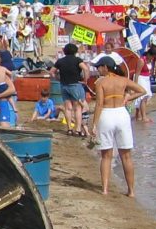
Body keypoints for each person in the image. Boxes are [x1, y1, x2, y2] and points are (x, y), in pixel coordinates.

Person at [90, 54, 147, 196]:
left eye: (99, 67)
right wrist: (128, 98)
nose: (98, 70)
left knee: (106, 156)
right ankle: (131, 191)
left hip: (107, 114)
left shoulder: (101, 82)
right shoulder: (123, 80)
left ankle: (105, 189)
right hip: (122, 114)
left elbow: (99, 104)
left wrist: (94, 124)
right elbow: (142, 91)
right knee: (126, 156)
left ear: (105, 67)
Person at [52, 43, 89, 138]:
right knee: (77, 108)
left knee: (68, 108)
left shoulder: (60, 61)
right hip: (75, 85)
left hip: (64, 85)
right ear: (75, 51)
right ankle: (77, 130)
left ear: (65, 51)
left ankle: (69, 129)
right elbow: (85, 69)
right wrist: (85, 80)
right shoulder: (77, 60)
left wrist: (57, 78)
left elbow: (52, 72)